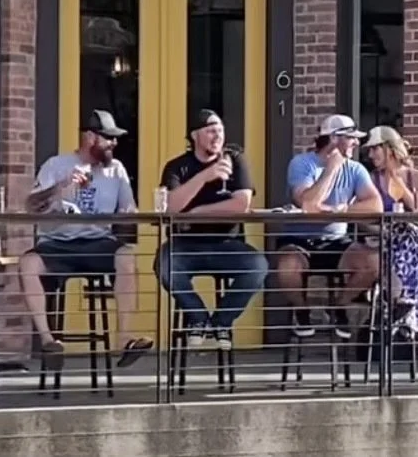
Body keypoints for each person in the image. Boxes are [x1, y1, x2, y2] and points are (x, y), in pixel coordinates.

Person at [20, 109, 153, 371]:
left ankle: (124, 339)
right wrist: (60, 188)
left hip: (98, 243)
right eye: (108, 138)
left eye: (115, 139)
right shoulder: (56, 165)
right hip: (58, 242)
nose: (113, 143)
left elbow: (129, 210)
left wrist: (129, 215)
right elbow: (30, 207)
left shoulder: (116, 170)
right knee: (28, 264)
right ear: (90, 137)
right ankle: (49, 342)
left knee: (126, 256)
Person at [154, 109, 268, 350]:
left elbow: (241, 204)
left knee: (258, 266)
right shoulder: (177, 167)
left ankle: (221, 322)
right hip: (185, 244)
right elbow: (171, 207)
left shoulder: (235, 161)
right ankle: (197, 317)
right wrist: (204, 177)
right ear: (195, 136)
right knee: (164, 265)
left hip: (227, 244)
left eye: (220, 130)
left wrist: (196, 213)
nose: (217, 136)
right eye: (210, 131)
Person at [278, 114, 384, 339]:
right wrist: (331, 169)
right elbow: (308, 203)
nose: (357, 143)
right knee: (287, 268)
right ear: (335, 139)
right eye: (351, 138)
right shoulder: (301, 163)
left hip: (335, 240)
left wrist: (341, 211)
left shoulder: (355, 169)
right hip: (298, 241)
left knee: (374, 263)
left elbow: (375, 205)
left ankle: (339, 305)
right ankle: (302, 310)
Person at [363, 125, 418, 335]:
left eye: (374, 149)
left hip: (413, 241)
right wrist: (382, 230)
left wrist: (405, 194)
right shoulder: (370, 179)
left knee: (416, 242)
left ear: (389, 149)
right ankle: (407, 307)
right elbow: (361, 221)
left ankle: (403, 304)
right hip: (383, 239)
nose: (370, 155)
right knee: (413, 244)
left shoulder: (416, 177)